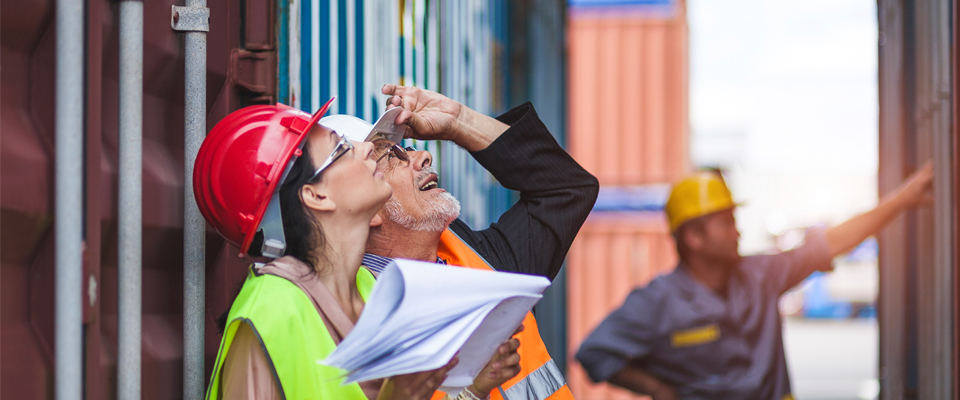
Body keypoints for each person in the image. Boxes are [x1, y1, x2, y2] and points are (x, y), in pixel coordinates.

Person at [194, 99, 523, 400]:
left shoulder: (373, 290)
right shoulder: (271, 311)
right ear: (316, 196)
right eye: (341, 149)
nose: (366, 149)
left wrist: (472, 389)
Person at [320, 84, 600, 400]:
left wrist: (458, 121)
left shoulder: (475, 257)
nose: (424, 156)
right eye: (393, 155)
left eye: (410, 148)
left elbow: (566, 188)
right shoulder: (353, 322)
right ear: (364, 204)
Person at [575, 165, 934, 400]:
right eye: (727, 222)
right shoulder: (656, 303)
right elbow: (593, 353)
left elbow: (830, 242)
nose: (738, 231)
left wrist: (902, 200)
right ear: (694, 238)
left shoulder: (761, 276)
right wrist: (659, 390)